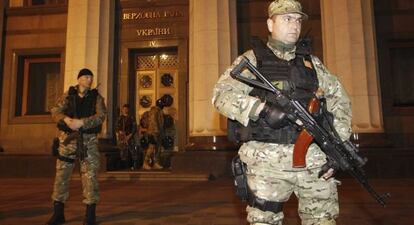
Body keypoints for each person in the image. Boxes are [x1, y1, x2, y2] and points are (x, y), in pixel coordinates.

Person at [212, 0, 352, 224]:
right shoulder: (252, 60)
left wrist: (338, 146)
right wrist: (261, 109)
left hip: (313, 162)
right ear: (270, 24)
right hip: (266, 163)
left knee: (322, 219)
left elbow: (340, 101)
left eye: (297, 20)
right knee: (264, 220)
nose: (294, 25)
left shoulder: (312, 63)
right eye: (287, 19)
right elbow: (221, 95)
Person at [46, 68, 107, 225]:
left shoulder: (97, 98)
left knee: (90, 176)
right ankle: (58, 213)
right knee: (62, 175)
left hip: (88, 141)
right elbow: (54, 111)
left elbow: (101, 116)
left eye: (91, 78)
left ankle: (90, 215)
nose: (89, 80)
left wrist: (82, 123)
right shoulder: (68, 95)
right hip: (67, 140)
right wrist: (65, 119)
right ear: (79, 79)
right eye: (86, 77)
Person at [142, 98, 165, 170]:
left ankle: (156, 163)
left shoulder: (159, 110)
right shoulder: (154, 111)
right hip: (153, 132)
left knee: (158, 148)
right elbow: (153, 122)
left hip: (157, 132)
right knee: (151, 148)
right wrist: (156, 131)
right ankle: (145, 163)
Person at [116, 104, 139, 170]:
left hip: (130, 137)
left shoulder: (131, 118)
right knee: (123, 152)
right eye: (124, 109)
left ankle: (133, 166)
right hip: (122, 137)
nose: (125, 110)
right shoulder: (120, 118)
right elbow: (117, 127)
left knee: (132, 151)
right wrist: (120, 133)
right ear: (122, 110)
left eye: (126, 109)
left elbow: (134, 128)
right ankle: (124, 166)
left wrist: (130, 135)